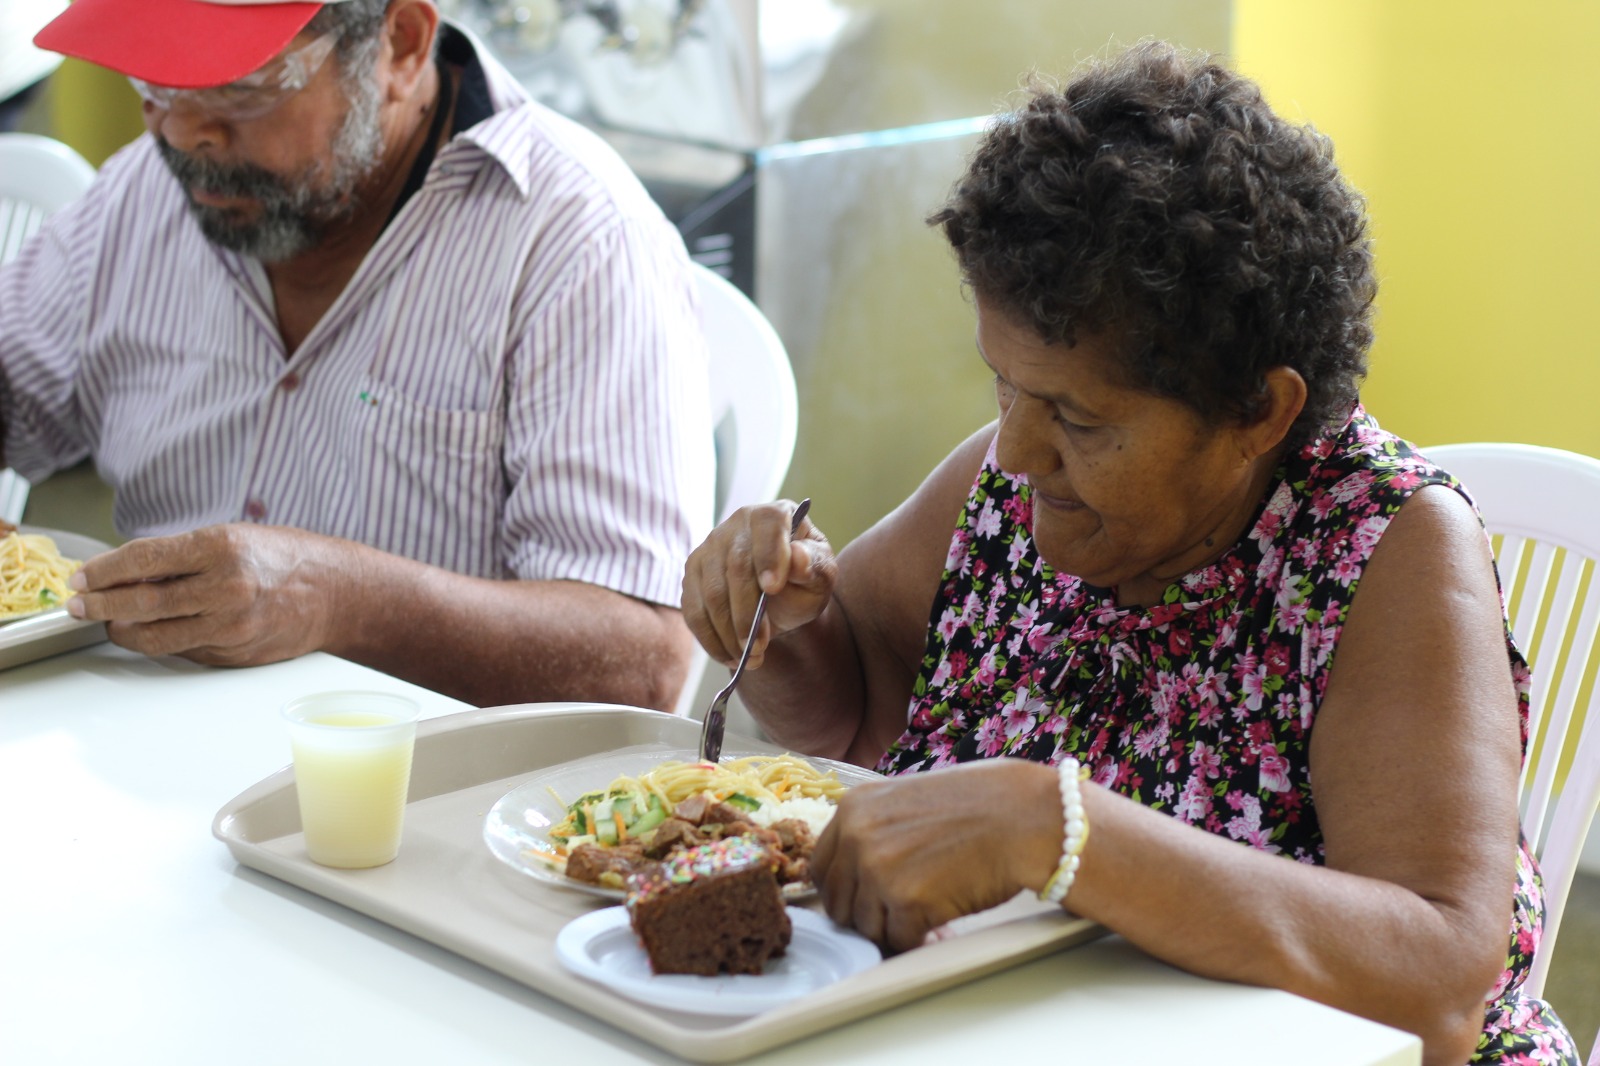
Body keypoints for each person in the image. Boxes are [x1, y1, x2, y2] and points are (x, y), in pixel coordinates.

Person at [683, 42, 1578, 1066]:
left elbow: (1435, 987)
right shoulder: (1005, 480)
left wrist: (1057, 829)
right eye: (1002, 385)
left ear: (1257, 412)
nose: (1015, 452)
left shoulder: (1384, 546)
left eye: (1074, 414)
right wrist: (784, 620)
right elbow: (853, 711)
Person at [1, 0, 714, 708]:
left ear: (400, 45)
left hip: (432, 793)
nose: (186, 132)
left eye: (243, 86)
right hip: (141, 738)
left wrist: (341, 601)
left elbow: (643, 662)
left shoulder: (575, 239)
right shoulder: (147, 192)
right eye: (156, 80)